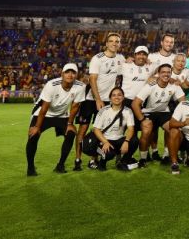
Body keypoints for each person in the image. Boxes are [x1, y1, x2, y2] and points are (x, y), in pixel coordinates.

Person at [26, 63, 85, 176]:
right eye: (67, 72)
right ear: (62, 74)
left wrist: (70, 123)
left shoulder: (80, 86)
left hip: (61, 115)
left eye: (73, 72)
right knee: (33, 135)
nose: (70, 75)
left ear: (76, 75)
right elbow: (44, 107)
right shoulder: (52, 84)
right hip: (43, 113)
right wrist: (37, 127)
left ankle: (60, 165)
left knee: (71, 133)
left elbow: (75, 106)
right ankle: (30, 167)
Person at [77, 32, 124, 170]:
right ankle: (78, 159)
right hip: (91, 99)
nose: (114, 43)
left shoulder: (120, 58)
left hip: (107, 100)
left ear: (119, 44)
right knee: (83, 129)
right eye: (111, 41)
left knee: (101, 130)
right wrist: (97, 99)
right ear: (106, 43)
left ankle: (93, 159)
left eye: (117, 41)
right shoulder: (97, 58)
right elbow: (92, 79)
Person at [132, 64, 185, 167]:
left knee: (175, 130)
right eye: (163, 72)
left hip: (163, 112)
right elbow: (135, 104)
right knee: (146, 130)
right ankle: (143, 159)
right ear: (158, 74)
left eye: (168, 72)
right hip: (149, 112)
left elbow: (183, 102)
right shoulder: (150, 85)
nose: (166, 74)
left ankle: (166, 155)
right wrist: (142, 120)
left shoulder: (174, 85)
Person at [91, 87, 138, 171]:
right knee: (109, 154)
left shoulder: (128, 111)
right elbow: (96, 129)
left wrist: (126, 142)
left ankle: (122, 162)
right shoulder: (103, 110)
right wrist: (105, 142)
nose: (117, 97)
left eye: (119, 95)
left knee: (134, 140)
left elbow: (131, 129)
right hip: (104, 140)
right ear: (110, 98)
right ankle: (102, 163)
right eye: (114, 95)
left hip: (118, 139)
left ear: (123, 97)